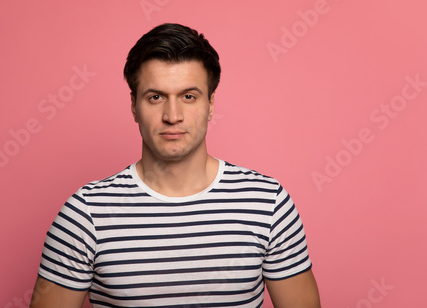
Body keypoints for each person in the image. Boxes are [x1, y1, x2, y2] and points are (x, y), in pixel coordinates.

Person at [30, 23, 321, 308]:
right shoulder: (86, 214)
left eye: (188, 97)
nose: (172, 115)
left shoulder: (267, 203)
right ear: (134, 105)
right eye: (155, 97)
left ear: (210, 104)